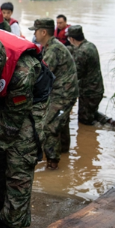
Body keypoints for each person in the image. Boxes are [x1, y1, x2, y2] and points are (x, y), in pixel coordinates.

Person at [0, 24, 48, 228]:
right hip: (4, 92)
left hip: (29, 101)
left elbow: (11, 125)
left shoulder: (23, 73)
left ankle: (14, 224)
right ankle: (4, 212)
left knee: (19, 160)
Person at [30, 18, 78, 170]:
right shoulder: (52, 46)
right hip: (64, 91)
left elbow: (41, 76)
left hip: (63, 94)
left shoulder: (53, 50)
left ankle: (52, 163)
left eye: (36, 31)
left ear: (43, 32)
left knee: (49, 126)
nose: (34, 34)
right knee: (60, 122)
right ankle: (63, 151)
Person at [67, 25, 115, 127]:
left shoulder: (81, 52)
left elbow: (77, 74)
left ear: (72, 39)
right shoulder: (91, 45)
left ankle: (102, 128)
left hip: (88, 92)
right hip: (97, 88)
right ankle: (110, 121)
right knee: (90, 111)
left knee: (84, 120)